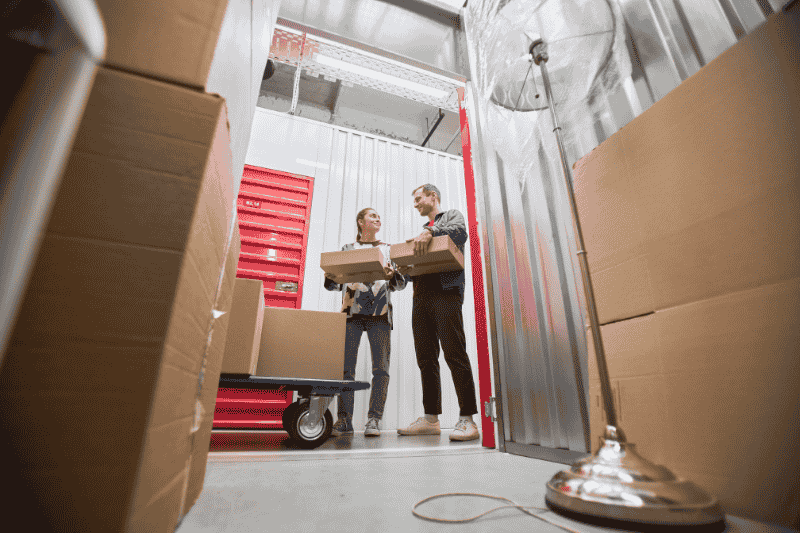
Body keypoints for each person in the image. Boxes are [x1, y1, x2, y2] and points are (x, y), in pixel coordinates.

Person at [396, 184, 480, 442]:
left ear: (433, 197)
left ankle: (468, 419)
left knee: (454, 353)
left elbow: (460, 233)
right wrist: (401, 271)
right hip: (421, 296)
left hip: (446, 293)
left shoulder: (451, 217)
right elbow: (408, 275)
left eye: (418, 198)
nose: (415, 204)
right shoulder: (422, 236)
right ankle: (431, 419)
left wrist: (430, 231)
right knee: (426, 358)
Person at [324, 208, 407, 437]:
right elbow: (334, 285)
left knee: (381, 370)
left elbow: (400, 284)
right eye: (372, 216)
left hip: (380, 314)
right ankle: (344, 420)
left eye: (379, 216)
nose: (378, 218)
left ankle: (374, 420)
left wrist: (393, 276)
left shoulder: (388, 250)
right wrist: (330, 276)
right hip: (351, 313)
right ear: (361, 222)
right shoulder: (348, 249)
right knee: (345, 369)